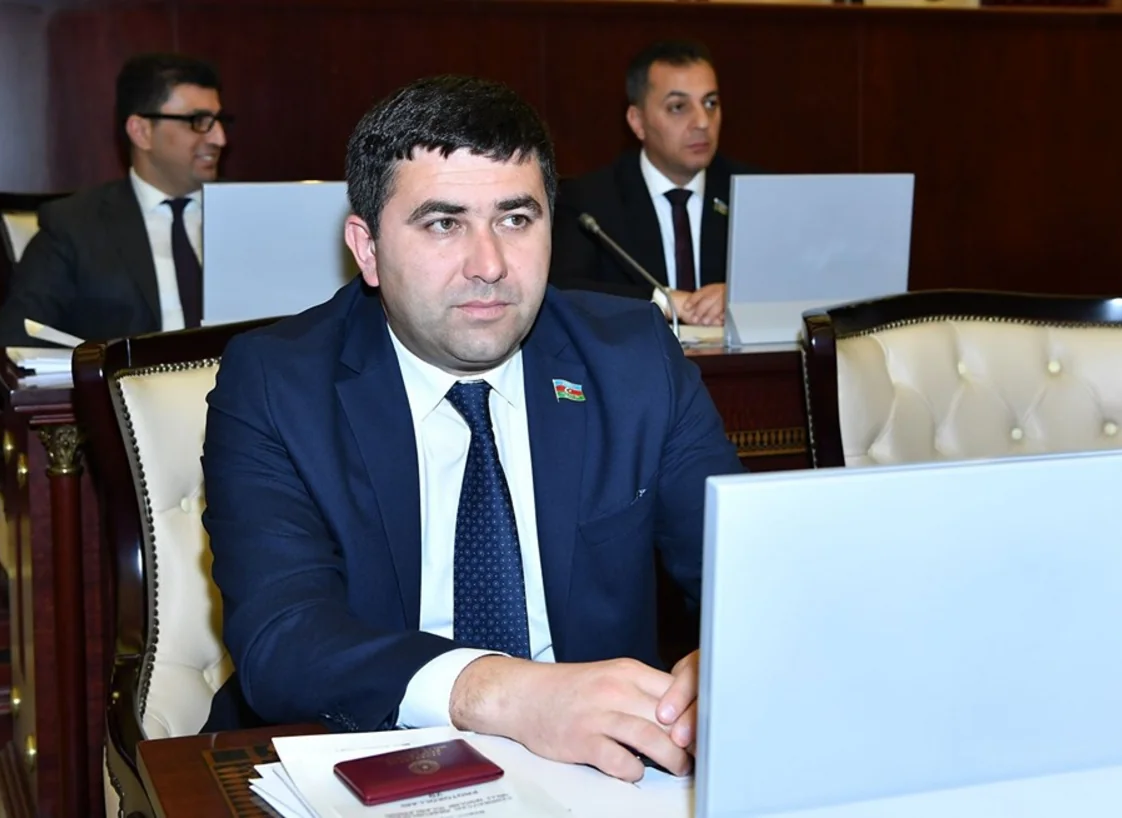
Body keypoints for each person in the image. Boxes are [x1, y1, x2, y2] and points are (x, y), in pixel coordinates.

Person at [201, 74, 745, 782]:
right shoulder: (277, 384)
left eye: (516, 219)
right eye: (443, 223)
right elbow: (284, 637)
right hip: (363, 756)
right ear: (367, 248)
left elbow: (747, 576)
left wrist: (728, 655)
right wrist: (505, 693)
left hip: (603, 775)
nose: (489, 266)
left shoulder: (634, 359)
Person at [0, 53, 229, 346]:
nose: (219, 139)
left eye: (219, 121)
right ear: (141, 132)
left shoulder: (253, 215)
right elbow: (16, 341)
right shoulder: (74, 226)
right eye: (199, 121)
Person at [549, 40, 761, 328]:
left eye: (710, 103)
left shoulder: (753, 192)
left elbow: (799, 278)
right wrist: (664, 300)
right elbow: (562, 288)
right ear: (637, 122)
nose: (702, 122)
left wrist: (740, 296)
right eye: (678, 107)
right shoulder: (589, 202)